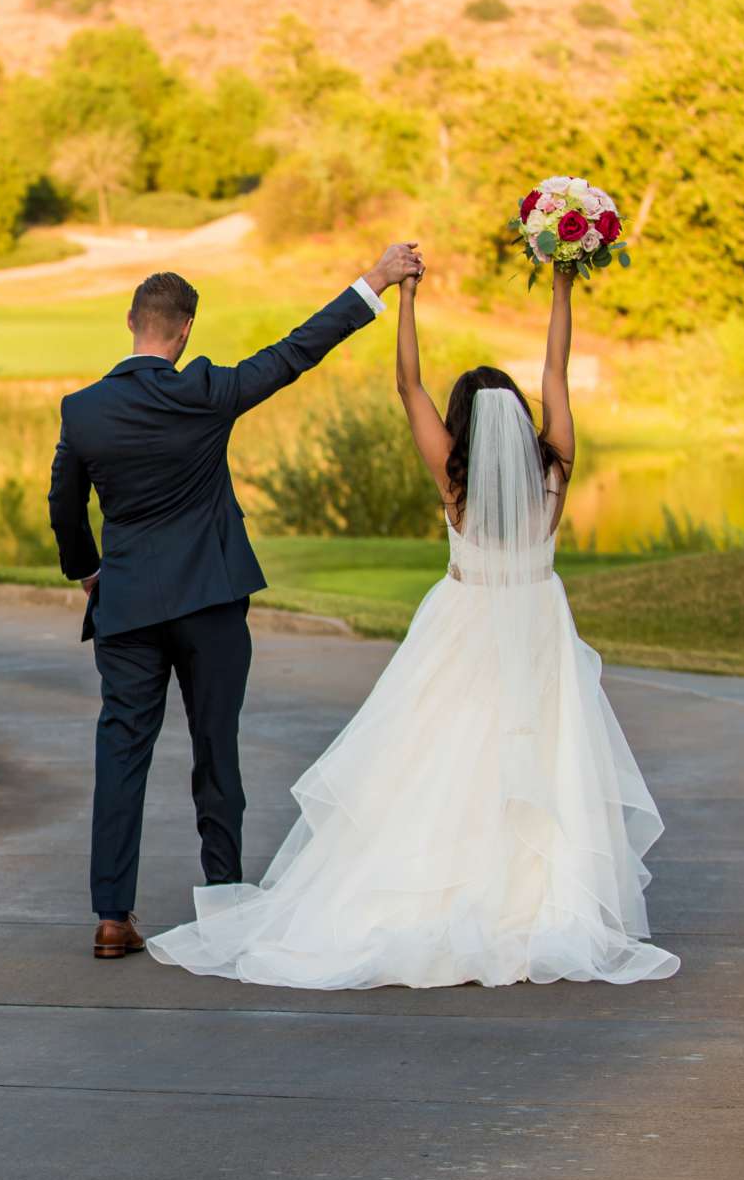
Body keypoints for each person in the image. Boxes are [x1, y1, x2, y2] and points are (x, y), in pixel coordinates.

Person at [142, 266, 680, 988]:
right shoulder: (557, 468)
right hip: (539, 627)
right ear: (519, 419)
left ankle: (442, 887)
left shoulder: (452, 475)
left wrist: (409, 302)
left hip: (464, 627)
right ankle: (535, 903)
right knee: (541, 761)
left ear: (463, 426)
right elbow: (556, 371)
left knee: (442, 757)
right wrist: (561, 288)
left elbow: (409, 387)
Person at [48, 246, 421, 960]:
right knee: (216, 748)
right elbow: (295, 352)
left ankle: (111, 916)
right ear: (185, 330)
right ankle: (225, 899)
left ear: (132, 322)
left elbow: (64, 505)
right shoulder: (207, 391)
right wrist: (375, 281)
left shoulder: (84, 410)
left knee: (121, 752)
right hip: (212, 600)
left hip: (126, 605)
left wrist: (88, 570)